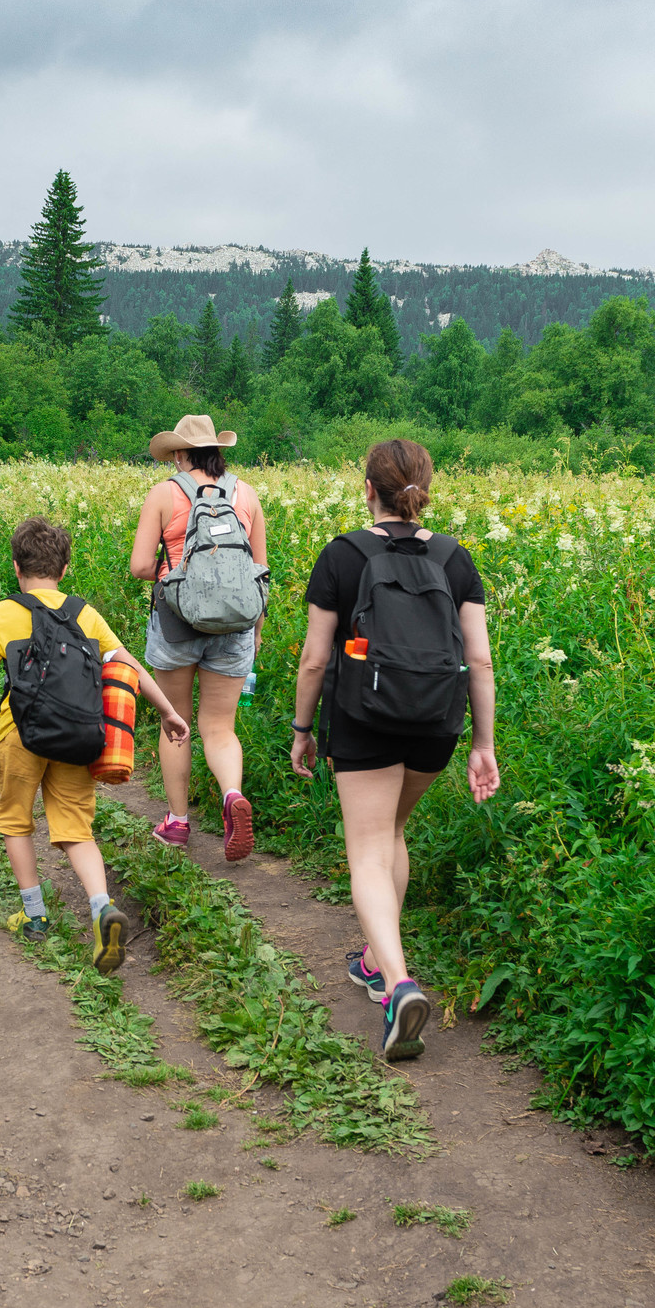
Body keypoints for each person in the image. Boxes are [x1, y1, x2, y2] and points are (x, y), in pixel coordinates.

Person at [287, 439, 498, 1060]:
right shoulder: (455, 559)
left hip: (364, 717)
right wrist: (482, 743)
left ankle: (399, 982)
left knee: (370, 849)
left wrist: (302, 730)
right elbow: (479, 658)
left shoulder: (343, 555)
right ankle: (376, 960)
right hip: (436, 720)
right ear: (425, 487)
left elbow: (315, 658)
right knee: (393, 830)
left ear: (369, 489)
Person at [0, 516, 190, 973]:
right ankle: (102, 908)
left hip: (21, 735)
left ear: (16, 566)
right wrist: (168, 711)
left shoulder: (6, 612)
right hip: (77, 735)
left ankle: (35, 915)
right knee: (75, 830)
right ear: (65, 568)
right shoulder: (85, 614)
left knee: (14, 821)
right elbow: (129, 667)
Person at [129, 412, 270, 862]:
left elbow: (139, 568)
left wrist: (179, 577)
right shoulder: (245, 494)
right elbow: (258, 574)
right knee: (220, 728)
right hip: (235, 626)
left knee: (178, 726)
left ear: (179, 452)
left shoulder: (164, 494)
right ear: (217, 451)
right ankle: (231, 795)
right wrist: (256, 635)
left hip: (177, 623)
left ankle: (176, 823)